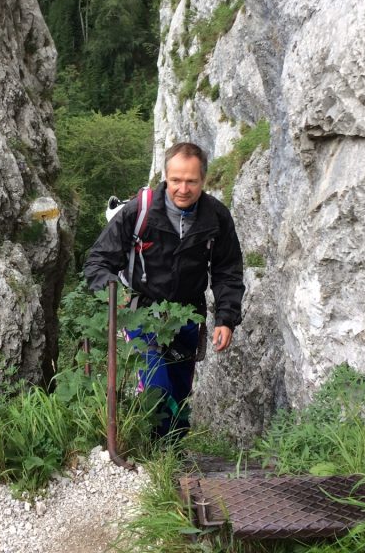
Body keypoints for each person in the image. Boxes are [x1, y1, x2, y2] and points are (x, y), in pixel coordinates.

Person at [84, 141, 245, 438]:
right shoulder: (139, 211)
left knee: (180, 391)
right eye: (176, 180)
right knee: (157, 388)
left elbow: (227, 271)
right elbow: (98, 261)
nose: (183, 188)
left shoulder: (216, 217)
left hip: (187, 314)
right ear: (165, 177)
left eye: (191, 181)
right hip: (141, 311)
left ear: (203, 180)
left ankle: (174, 454)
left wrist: (226, 318)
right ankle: (155, 457)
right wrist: (114, 294)